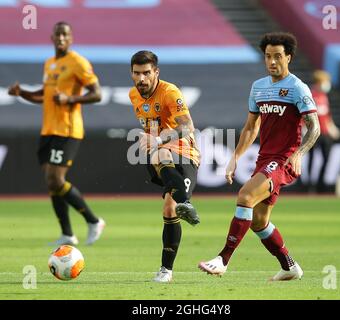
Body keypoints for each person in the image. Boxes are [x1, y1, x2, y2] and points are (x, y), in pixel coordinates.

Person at [199, 32, 320, 281]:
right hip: (265, 159)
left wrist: (299, 153)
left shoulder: (297, 88)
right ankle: (290, 267)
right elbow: (251, 127)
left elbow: (314, 126)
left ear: (289, 57)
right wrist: (235, 157)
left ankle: (223, 259)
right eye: (268, 56)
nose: (272, 61)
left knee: (245, 195)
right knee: (258, 222)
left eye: (278, 56)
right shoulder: (259, 87)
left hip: (284, 160)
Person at [8, 21, 105, 246]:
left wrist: (70, 98)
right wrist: (21, 92)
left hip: (67, 130)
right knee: (52, 183)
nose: (61, 38)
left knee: (55, 179)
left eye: (65, 35)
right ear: (52, 38)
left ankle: (93, 221)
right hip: (48, 130)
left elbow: (97, 94)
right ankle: (68, 234)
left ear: (70, 39)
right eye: (58, 35)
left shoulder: (78, 62)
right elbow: (44, 94)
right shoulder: (50, 63)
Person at [129, 50, 200, 282]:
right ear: (132, 73)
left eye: (147, 73)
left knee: (170, 208)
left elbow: (188, 126)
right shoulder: (133, 95)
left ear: (156, 72)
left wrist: (158, 139)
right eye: (137, 73)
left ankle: (184, 203)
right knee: (158, 157)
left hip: (185, 154)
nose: (142, 79)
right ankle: (166, 271)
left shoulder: (169, 92)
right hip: (161, 153)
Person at [308, 70, 340, 193]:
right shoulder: (311, 95)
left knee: (326, 158)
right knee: (311, 159)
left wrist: (332, 127)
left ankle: (320, 184)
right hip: (313, 133)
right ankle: (309, 186)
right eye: (325, 81)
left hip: (325, 133)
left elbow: (327, 115)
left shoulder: (324, 96)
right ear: (318, 82)